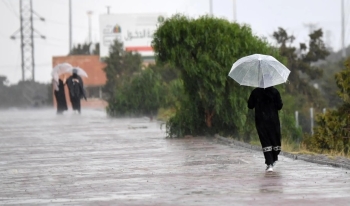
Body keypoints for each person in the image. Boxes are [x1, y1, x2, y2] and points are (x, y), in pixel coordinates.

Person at [247, 77, 283, 172]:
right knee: (274, 140)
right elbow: (279, 106)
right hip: (273, 121)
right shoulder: (275, 92)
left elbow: (250, 105)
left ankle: (269, 163)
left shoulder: (255, 92)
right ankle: (273, 158)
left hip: (261, 120)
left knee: (265, 141)